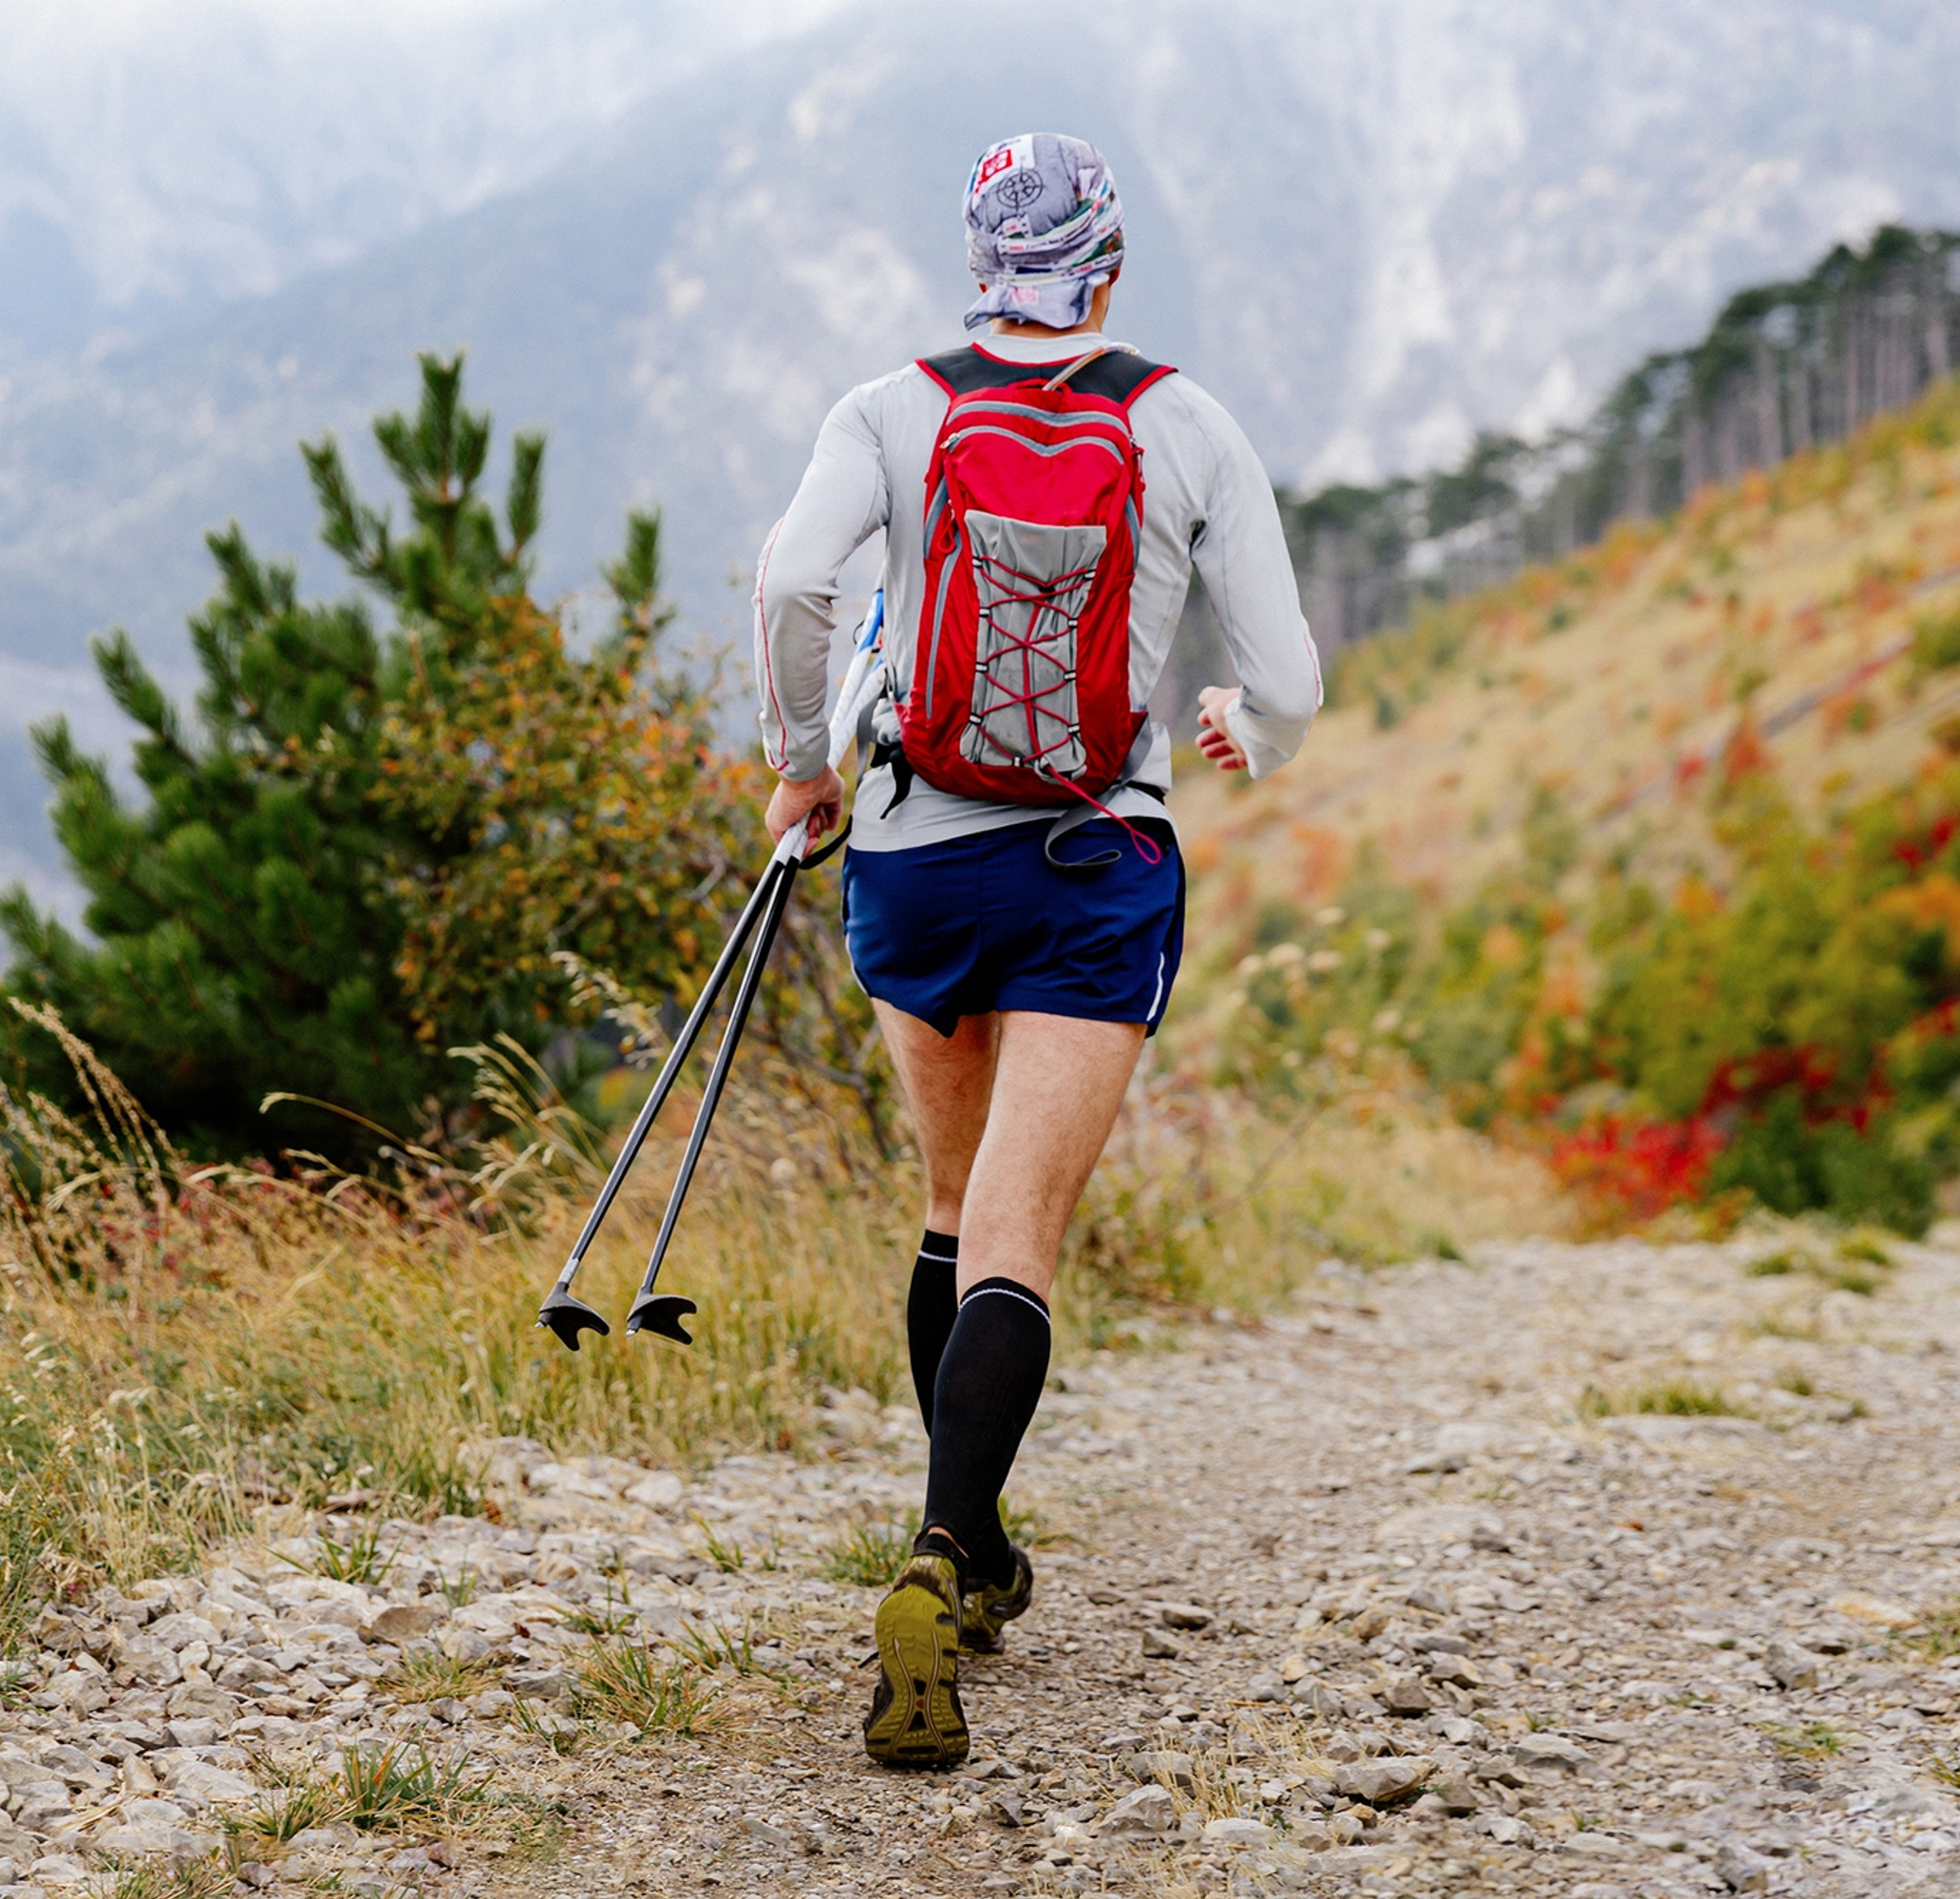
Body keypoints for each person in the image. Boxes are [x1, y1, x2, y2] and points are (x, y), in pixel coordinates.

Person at [753, 130, 1319, 1768]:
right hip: (1093, 860)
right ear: (1113, 265)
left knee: (948, 1207)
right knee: (1019, 1230)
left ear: (975, 263)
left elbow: (793, 577)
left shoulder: (894, 408)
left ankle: (976, 1551)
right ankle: (946, 1553)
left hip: (919, 862)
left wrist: (803, 759)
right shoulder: (1182, 419)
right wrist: (1242, 728)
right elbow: (1285, 676)